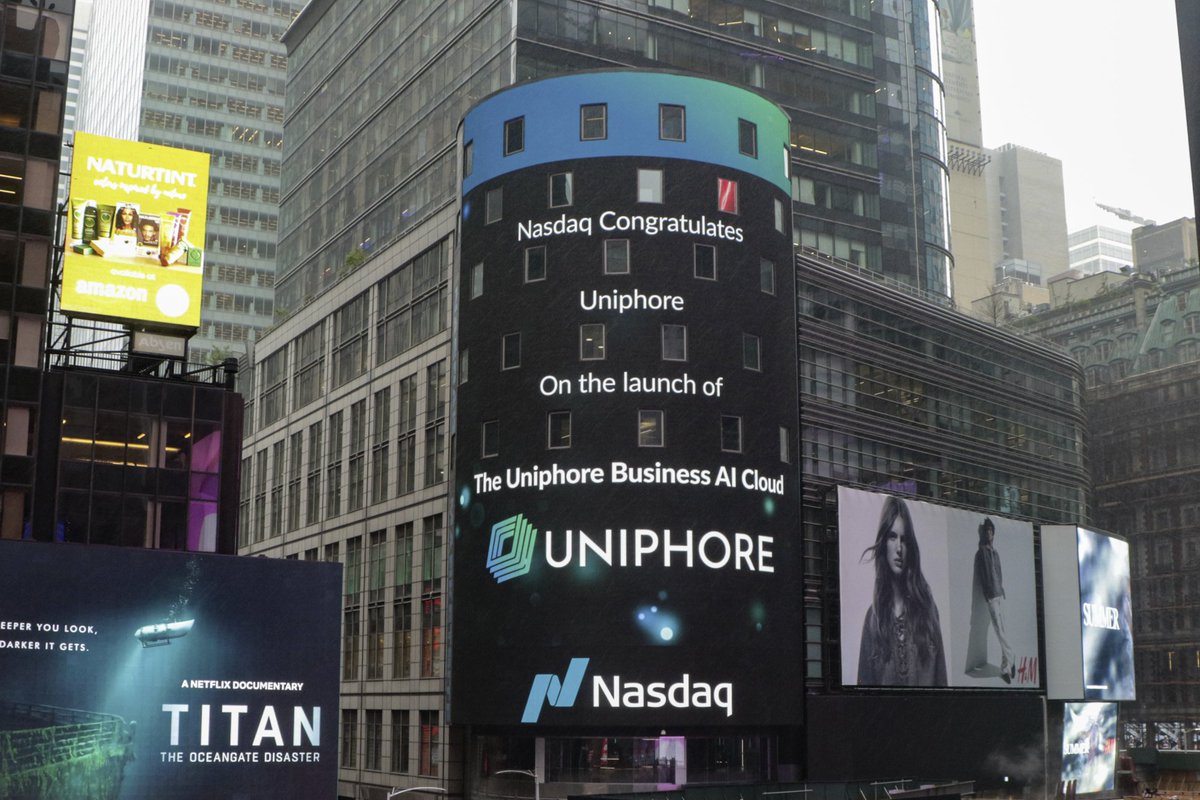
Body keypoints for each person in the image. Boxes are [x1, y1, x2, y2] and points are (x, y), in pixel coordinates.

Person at [857, 495, 947, 686]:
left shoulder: (928, 611)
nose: (899, 548)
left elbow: (942, 684)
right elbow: (863, 698)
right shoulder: (873, 620)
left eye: (904, 539)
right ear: (883, 543)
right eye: (892, 537)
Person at [975, 517, 1016, 682]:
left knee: (1004, 630)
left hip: (1000, 594)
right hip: (991, 596)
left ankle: (1006, 668)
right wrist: (987, 594)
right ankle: (1012, 655)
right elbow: (983, 576)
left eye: (991, 531)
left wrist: (1002, 589)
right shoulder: (982, 552)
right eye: (987, 531)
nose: (989, 533)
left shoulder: (996, 552)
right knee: (999, 631)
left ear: (994, 533)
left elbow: (999, 573)